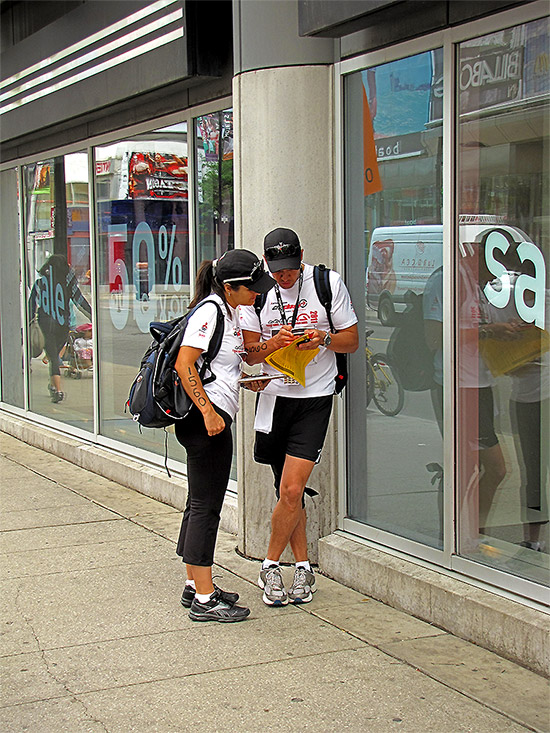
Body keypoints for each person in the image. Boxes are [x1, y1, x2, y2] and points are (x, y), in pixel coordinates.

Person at [240, 227, 359, 606]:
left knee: (292, 489)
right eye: (276, 270)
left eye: (289, 268)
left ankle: (270, 565)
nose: (283, 276)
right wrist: (272, 346)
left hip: (314, 397)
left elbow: (352, 340)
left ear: (301, 255)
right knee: (286, 493)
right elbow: (249, 354)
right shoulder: (257, 292)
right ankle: (303, 568)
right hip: (274, 399)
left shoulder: (326, 283)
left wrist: (322, 338)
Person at [174, 249, 276, 622]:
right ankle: (204, 599)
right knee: (206, 506)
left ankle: (194, 584)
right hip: (206, 423)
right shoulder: (211, 311)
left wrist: (249, 375)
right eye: (252, 289)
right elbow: (184, 364)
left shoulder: (228, 311)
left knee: (198, 501)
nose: (257, 294)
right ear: (230, 287)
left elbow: (227, 363)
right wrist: (208, 412)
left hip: (212, 418)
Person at [29, 254, 92, 403]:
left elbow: (30, 307)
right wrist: (92, 315)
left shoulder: (39, 284)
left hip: (45, 325)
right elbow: (79, 301)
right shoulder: (67, 284)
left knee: (53, 357)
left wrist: (30, 324)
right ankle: (56, 389)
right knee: (54, 356)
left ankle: (55, 388)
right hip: (62, 325)